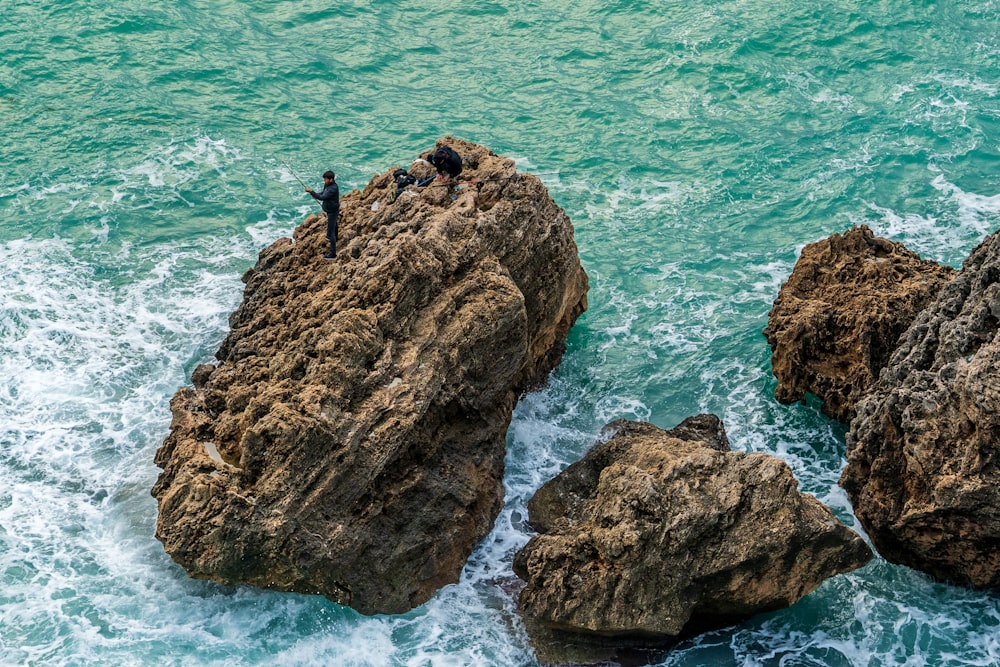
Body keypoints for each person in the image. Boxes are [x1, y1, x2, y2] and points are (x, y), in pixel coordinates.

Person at [306, 170, 339, 259]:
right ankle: (336, 238)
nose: (324, 181)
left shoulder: (333, 188)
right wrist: (315, 194)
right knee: (334, 224)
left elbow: (323, 197)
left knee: (330, 233)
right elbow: (323, 193)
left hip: (332, 211)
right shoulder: (328, 185)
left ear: (331, 179)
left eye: (325, 179)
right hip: (330, 209)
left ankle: (333, 254)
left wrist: (312, 192)